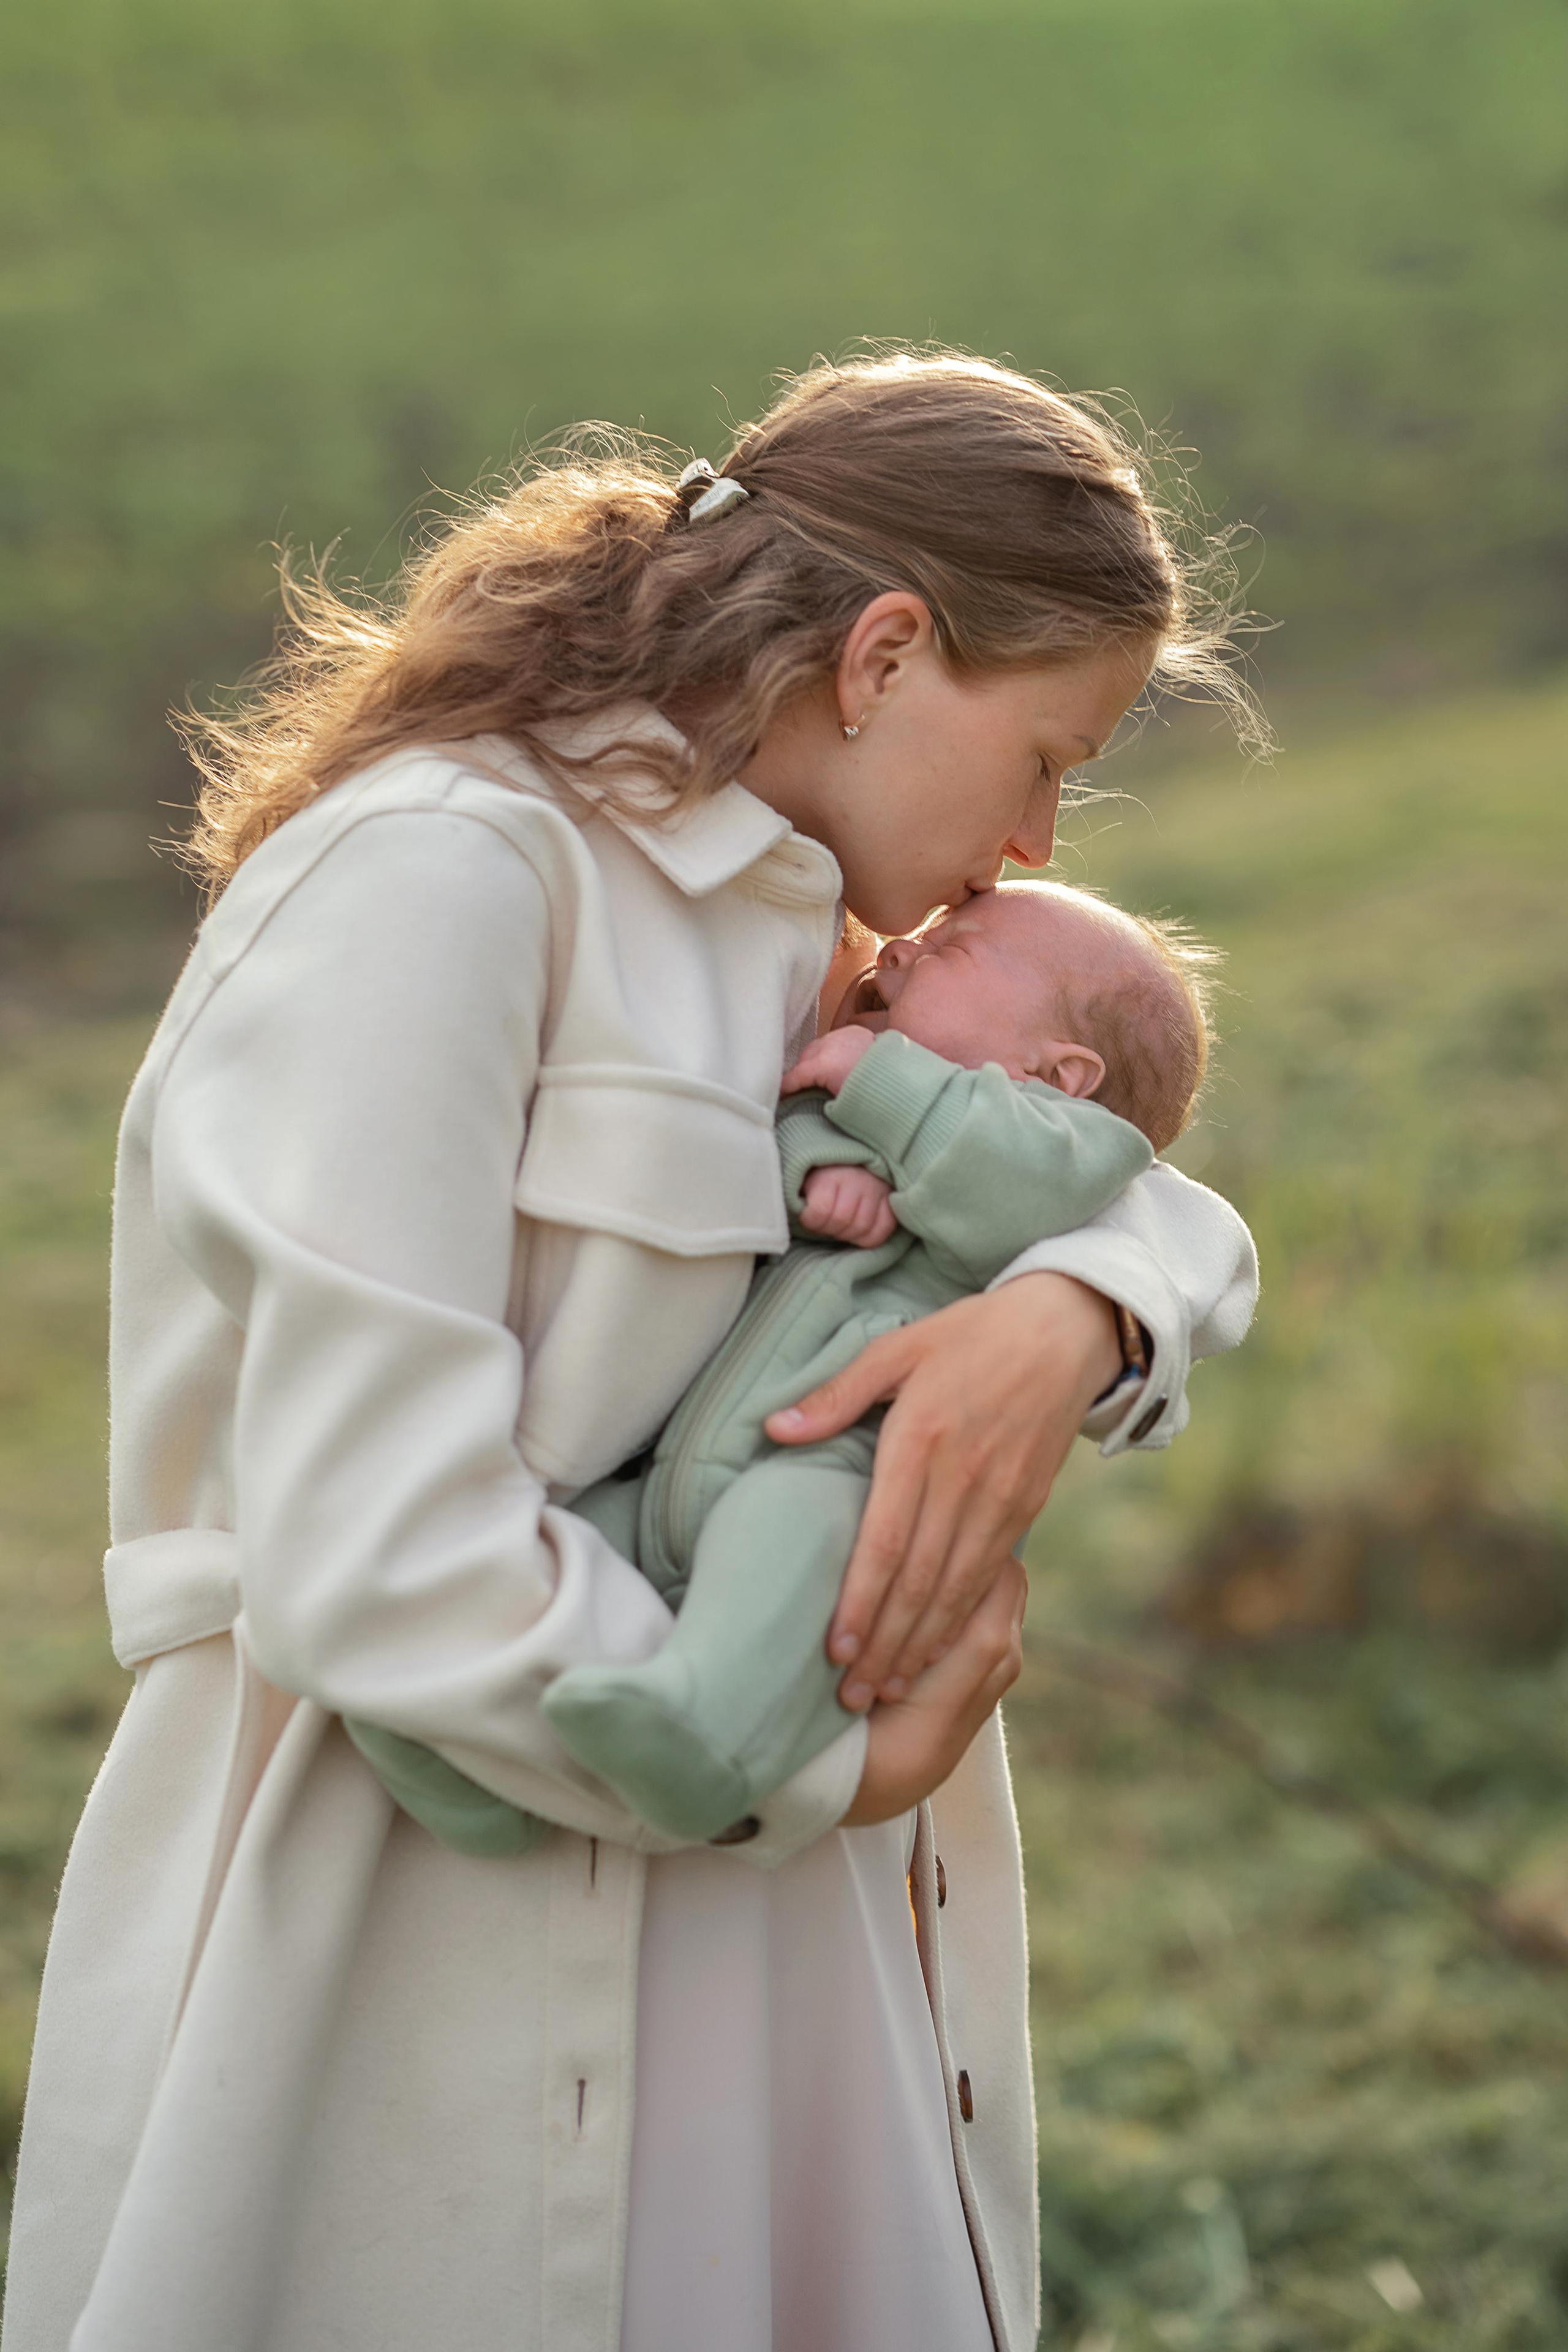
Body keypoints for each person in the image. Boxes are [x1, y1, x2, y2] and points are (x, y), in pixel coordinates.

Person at [2, 353, 1261, 2352]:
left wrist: (1076, 1305)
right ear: (883, 654)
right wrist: (827, 1759)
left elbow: (1101, 1145)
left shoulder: (817, 913)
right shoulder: (436, 880)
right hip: (419, 1928)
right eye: (1048, 758)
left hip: (789, 1953)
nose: (1037, 843)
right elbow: (379, 1554)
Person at [350, 880, 1213, 1849]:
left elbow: (1016, 1189)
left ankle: (706, 1736)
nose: (902, 952)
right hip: (680, 1457)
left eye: (954, 950)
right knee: (549, 1566)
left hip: (830, 1474)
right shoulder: (866, 1102)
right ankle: (469, 1770)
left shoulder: (1061, 1152)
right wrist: (819, 1167)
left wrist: (880, 1078)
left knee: (772, 1567)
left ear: (1060, 1076)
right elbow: (782, 1132)